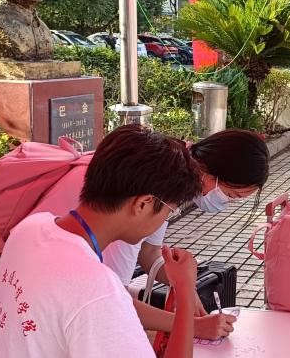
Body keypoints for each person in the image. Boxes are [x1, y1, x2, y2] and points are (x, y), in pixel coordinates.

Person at [0, 124, 200, 357]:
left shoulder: (30, 227)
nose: (164, 220)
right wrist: (185, 289)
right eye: (169, 211)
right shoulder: (97, 288)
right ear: (143, 204)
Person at [31, 129, 269, 340]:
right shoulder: (129, 219)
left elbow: (149, 251)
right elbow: (114, 301)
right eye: (231, 195)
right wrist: (192, 325)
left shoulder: (161, 178)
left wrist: (184, 286)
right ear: (143, 204)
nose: (166, 216)